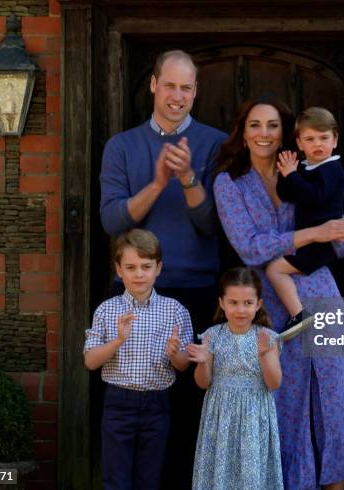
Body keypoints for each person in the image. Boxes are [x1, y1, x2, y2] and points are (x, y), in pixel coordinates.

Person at [213, 96, 344, 489]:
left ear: (287, 135)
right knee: (282, 404)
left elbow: (341, 242)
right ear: (243, 132)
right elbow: (249, 247)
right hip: (265, 302)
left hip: (320, 290)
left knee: (333, 399)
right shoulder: (229, 182)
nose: (263, 134)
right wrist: (316, 233)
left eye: (272, 126)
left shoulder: (310, 169)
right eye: (255, 125)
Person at [99, 49, 227, 488]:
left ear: (196, 91)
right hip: (134, 294)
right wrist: (156, 183)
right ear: (153, 84)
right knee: (131, 409)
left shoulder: (216, 144)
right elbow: (113, 221)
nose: (177, 96)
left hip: (195, 290)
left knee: (189, 409)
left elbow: (214, 225)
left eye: (186, 87)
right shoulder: (122, 146)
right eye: (169, 85)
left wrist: (189, 178)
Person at [83, 229, 192, 490]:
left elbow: (184, 364)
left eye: (146, 266)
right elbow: (90, 361)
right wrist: (118, 341)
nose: (139, 274)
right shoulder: (107, 310)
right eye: (131, 267)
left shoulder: (175, 310)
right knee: (115, 477)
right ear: (119, 270)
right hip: (118, 402)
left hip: (157, 404)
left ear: (158, 268)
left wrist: (175, 352)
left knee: (149, 478)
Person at [187, 267, 283, 490]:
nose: (241, 310)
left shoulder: (267, 338)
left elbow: (274, 383)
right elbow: (203, 383)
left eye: (248, 303)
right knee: (220, 471)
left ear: (258, 304)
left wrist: (265, 355)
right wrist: (202, 361)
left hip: (254, 416)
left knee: (251, 475)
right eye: (233, 302)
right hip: (220, 417)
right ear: (222, 302)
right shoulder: (212, 335)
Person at [268, 107, 344, 329]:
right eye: (310, 139)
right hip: (309, 240)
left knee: (275, 269)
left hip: (321, 243)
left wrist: (293, 175)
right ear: (299, 143)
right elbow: (287, 194)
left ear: (335, 140)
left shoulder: (332, 170)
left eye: (324, 138)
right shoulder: (308, 168)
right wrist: (285, 175)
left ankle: (299, 314)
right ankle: (343, 318)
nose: (317, 144)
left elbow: (315, 196)